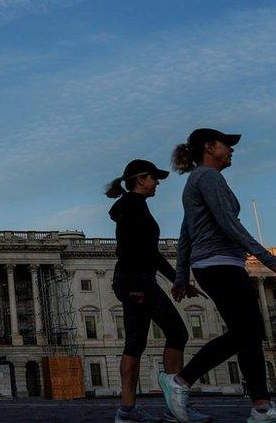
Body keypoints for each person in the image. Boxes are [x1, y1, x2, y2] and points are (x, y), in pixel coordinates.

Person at [159, 128, 276, 423]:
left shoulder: (195, 180)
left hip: (213, 264)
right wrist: (267, 258)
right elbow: (228, 223)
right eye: (227, 145)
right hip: (220, 263)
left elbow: (186, 233)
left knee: (249, 334)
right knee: (246, 333)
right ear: (210, 147)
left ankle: (261, 406)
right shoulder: (208, 177)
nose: (232, 150)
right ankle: (181, 380)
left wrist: (180, 276)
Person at [106, 159, 208, 423]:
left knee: (135, 344)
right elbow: (130, 247)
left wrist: (178, 280)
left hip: (131, 278)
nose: (157, 183)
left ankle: (127, 410)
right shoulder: (134, 206)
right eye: (154, 178)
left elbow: (151, 254)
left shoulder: (131, 206)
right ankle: (176, 407)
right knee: (177, 333)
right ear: (140, 178)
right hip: (136, 279)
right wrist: (137, 286)